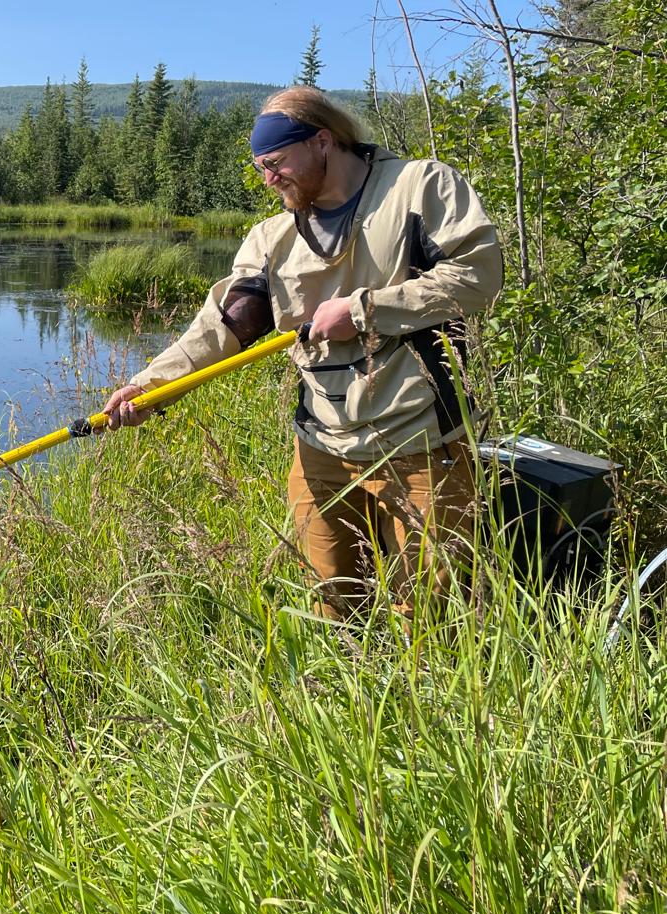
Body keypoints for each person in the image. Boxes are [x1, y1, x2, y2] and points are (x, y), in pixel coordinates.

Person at [102, 86, 503, 618]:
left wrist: (361, 311)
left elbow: (479, 277)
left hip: (423, 443)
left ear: (322, 141)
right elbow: (225, 324)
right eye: (261, 169)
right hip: (321, 448)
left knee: (431, 615)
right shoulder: (271, 238)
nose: (269, 180)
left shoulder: (420, 187)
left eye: (276, 164)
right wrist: (151, 386)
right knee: (334, 608)